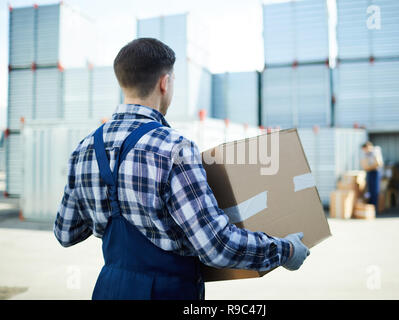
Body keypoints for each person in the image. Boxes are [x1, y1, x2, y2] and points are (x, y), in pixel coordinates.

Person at [53, 38, 309, 300]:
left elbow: (65, 233)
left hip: (109, 290)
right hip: (166, 292)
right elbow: (216, 246)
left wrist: (105, 205)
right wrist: (285, 251)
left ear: (123, 82)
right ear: (164, 83)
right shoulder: (174, 149)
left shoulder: (84, 149)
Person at [361, 141, 384, 211]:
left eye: (365, 149)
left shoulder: (375, 151)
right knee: (370, 190)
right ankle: (370, 208)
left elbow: (379, 163)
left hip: (375, 172)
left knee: (374, 190)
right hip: (369, 172)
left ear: (368, 147)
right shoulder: (367, 154)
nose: (364, 151)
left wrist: (369, 167)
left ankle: (374, 209)